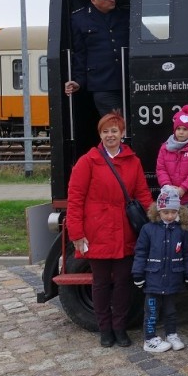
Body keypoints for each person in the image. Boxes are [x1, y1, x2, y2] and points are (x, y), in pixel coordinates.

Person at [66, 111, 152, 348]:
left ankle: (119, 327)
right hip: (97, 230)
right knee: (101, 283)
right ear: (100, 134)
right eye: (106, 131)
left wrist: (155, 216)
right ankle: (105, 329)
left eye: (114, 131)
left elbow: (142, 194)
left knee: (123, 283)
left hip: (124, 230)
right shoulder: (88, 161)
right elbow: (75, 199)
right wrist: (77, 233)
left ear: (122, 134)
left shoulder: (133, 161)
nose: (110, 135)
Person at [132, 186, 188, 353]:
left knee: (171, 310)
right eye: (165, 212)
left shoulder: (182, 230)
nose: (169, 216)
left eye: (173, 212)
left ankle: (171, 334)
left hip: (172, 278)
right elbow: (140, 252)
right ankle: (149, 338)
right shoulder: (148, 229)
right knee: (152, 311)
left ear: (178, 211)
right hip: (153, 277)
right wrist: (138, 274)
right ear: (158, 211)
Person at [65, 0, 130, 116]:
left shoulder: (125, 15)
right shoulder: (79, 19)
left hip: (129, 79)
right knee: (114, 124)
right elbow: (80, 53)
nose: (111, 0)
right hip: (103, 83)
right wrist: (79, 81)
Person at [156, 105, 188, 244]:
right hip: (170, 198)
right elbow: (161, 168)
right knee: (173, 234)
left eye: (185, 129)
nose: (181, 132)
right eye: (178, 129)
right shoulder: (165, 147)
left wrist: (183, 188)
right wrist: (166, 186)